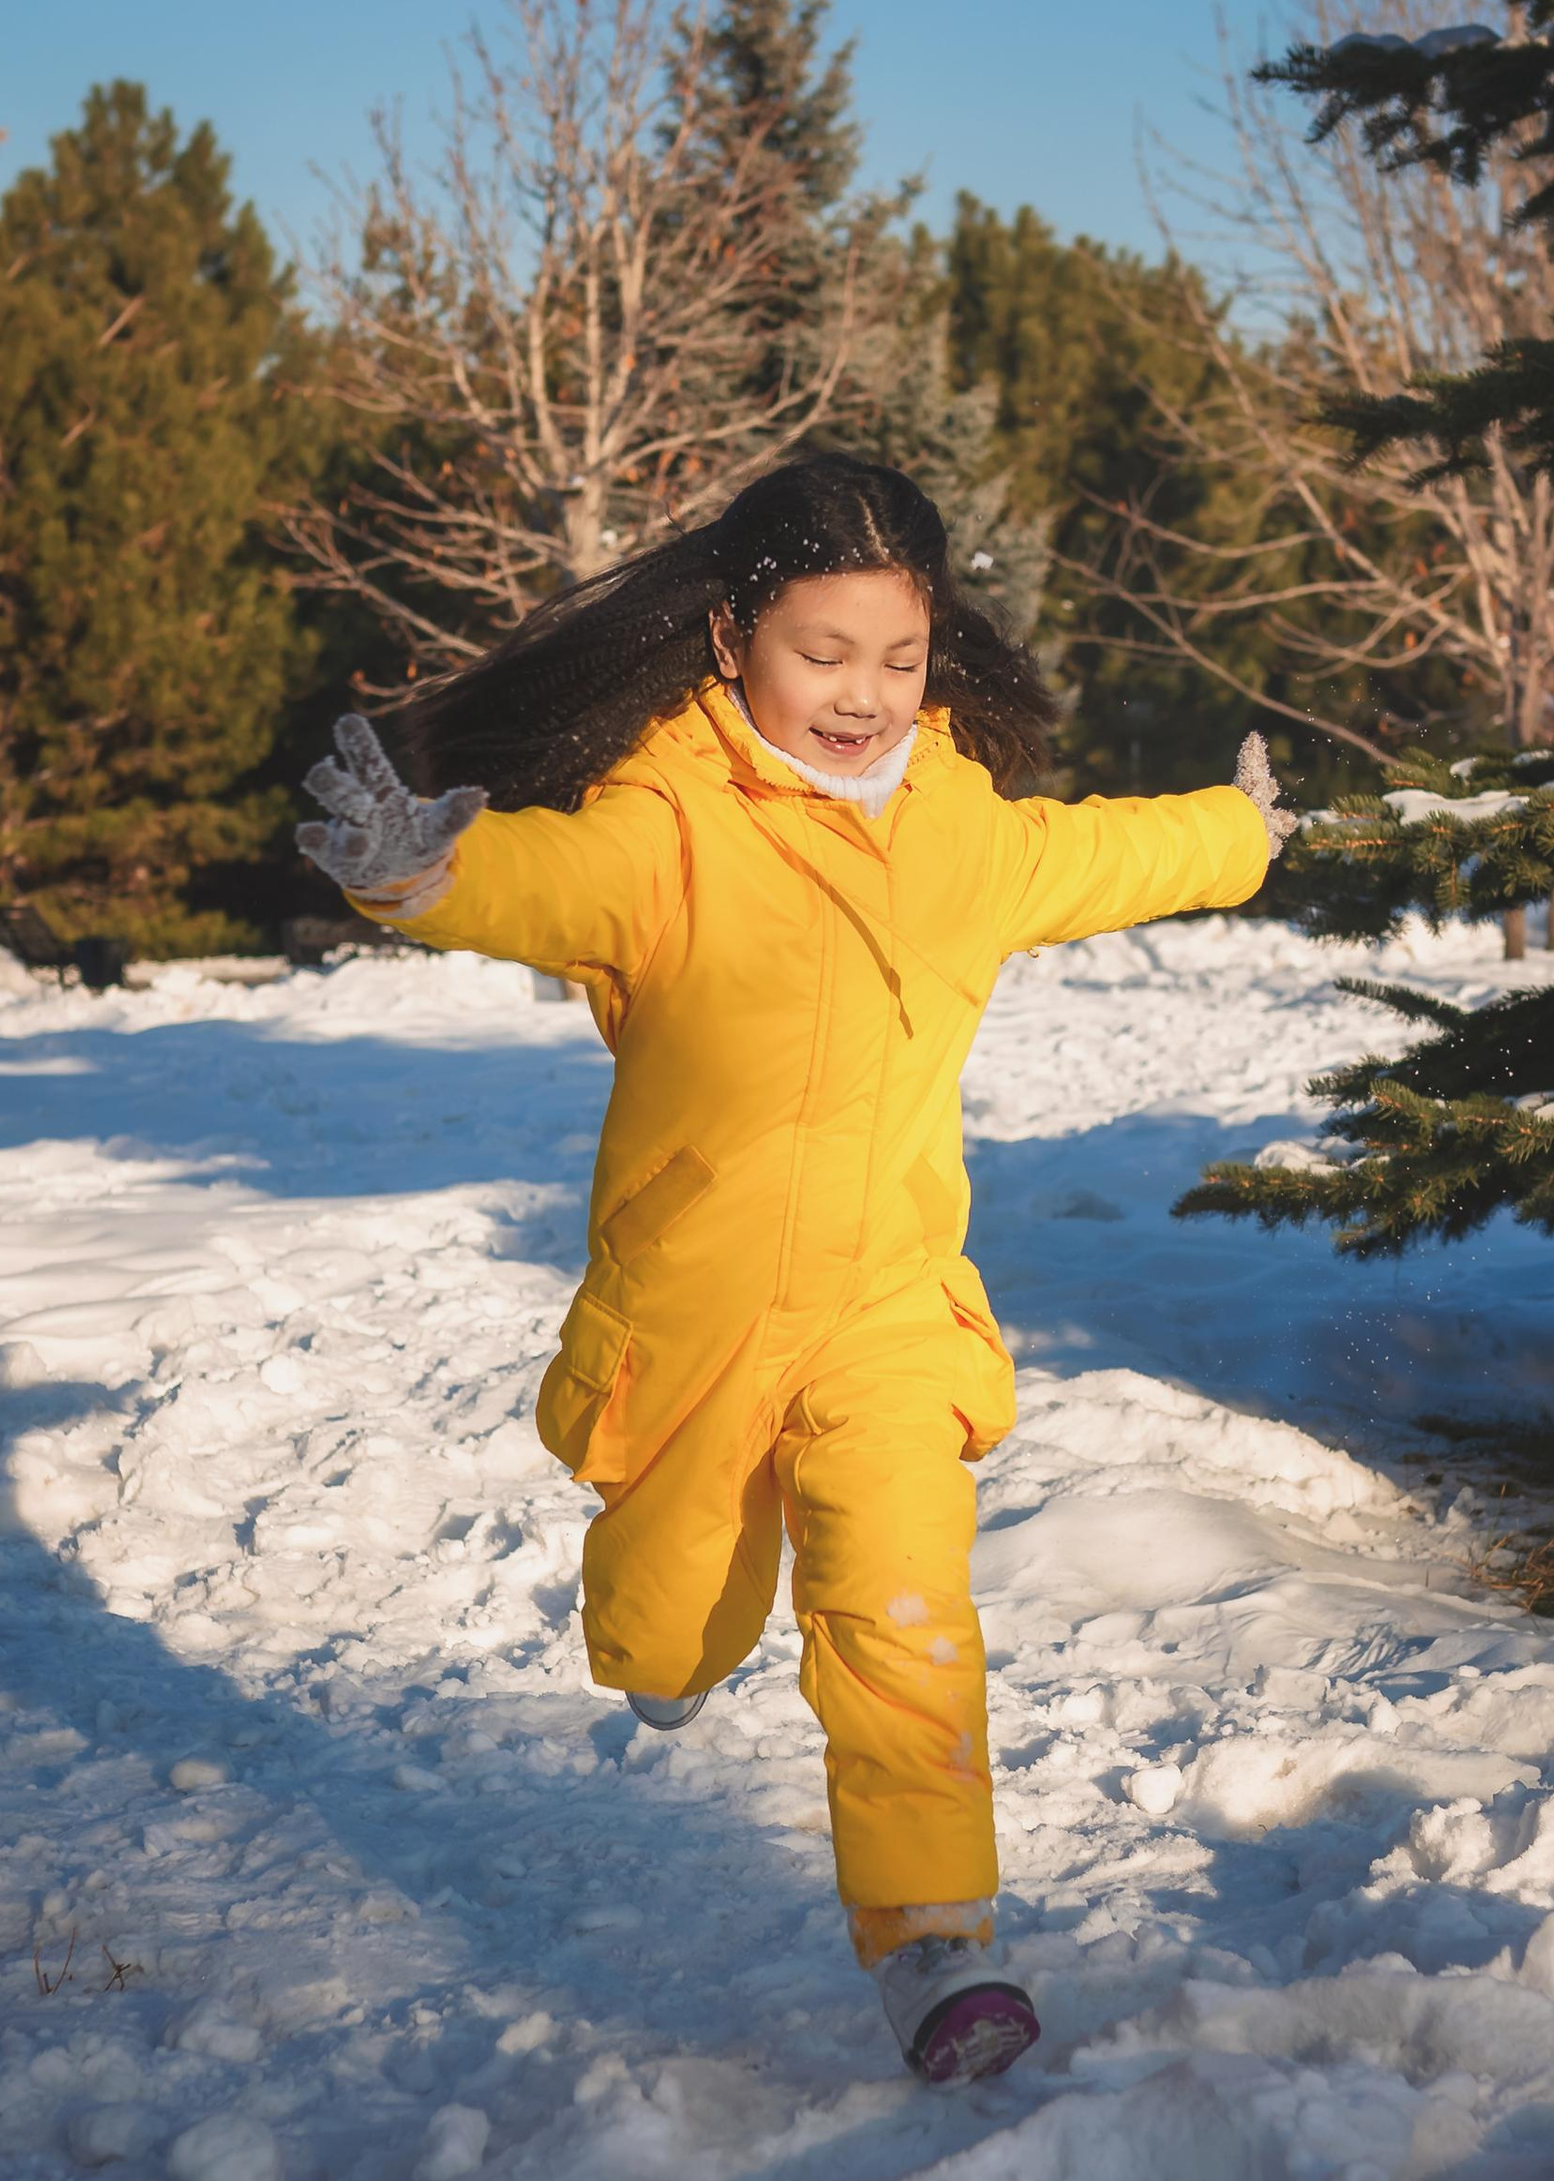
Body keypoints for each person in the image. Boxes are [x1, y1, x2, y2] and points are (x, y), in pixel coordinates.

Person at [298, 453, 1295, 2084]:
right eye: (824, 653)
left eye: (898, 659)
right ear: (732, 636)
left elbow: (1113, 854)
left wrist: (1238, 836)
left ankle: (936, 1948)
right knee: (669, 1638)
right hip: (698, 1318)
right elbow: (547, 879)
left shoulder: (964, 831)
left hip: (891, 1307)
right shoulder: (670, 823)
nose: (864, 696)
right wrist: (424, 873)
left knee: (903, 1610)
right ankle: (668, 1647)